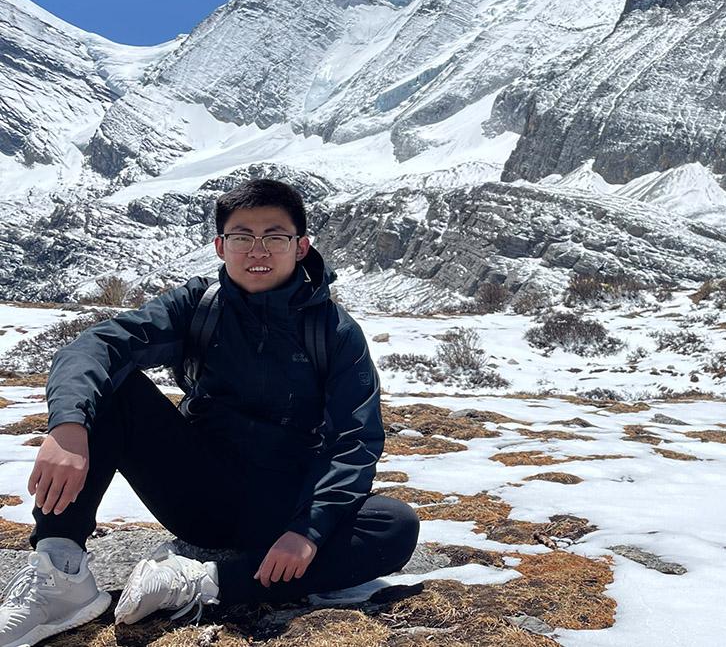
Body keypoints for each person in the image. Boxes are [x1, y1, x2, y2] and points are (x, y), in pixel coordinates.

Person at [0, 179, 419, 647]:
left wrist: (308, 529)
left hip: (283, 506)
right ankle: (61, 575)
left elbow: (355, 441)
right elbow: (95, 345)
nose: (257, 250)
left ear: (301, 247)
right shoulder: (199, 308)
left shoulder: (334, 333)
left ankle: (203, 581)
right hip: (196, 494)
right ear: (221, 246)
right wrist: (68, 425)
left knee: (394, 527)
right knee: (111, 388)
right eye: (242, 236)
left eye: (275, 237)